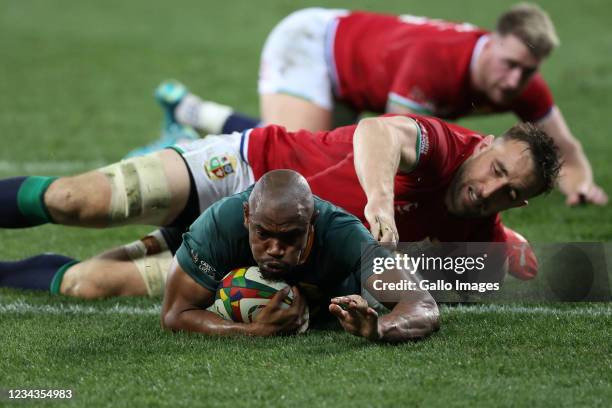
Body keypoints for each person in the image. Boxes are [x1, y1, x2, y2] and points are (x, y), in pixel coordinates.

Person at [0, 113, 553, 297]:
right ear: (484, 145)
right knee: (77, 200)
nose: (489, 190)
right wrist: (379, 197)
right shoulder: (444, 146)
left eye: (510, 192)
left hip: (261, 246)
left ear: (520, 204)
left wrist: (505, 257)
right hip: (247, 166)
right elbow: (378, 133)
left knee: (89, 285)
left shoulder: (483, 238)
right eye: (496, 170)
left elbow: (470, 275)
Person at [137, 3, 604, 206]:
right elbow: (396, 144)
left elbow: (567, 148)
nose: (515, 79)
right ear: (491, 41)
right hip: (312, 47)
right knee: (288, 159)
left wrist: (582, 186)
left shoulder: (523, 82)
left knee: (312, 153)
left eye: (528, 70)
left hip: (353, 72)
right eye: (509, 64)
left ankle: (188, 111)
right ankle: (187, 136)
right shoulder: (436, 62)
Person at [160, 169, 440, 341]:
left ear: (311, 222)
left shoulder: (343, 234)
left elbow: (422, 306)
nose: (275, 249)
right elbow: (175, 314)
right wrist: (252, 332)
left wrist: (378, 328)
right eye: (263, 234)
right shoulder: (220, 224)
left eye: (290, 236)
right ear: (247, 217)